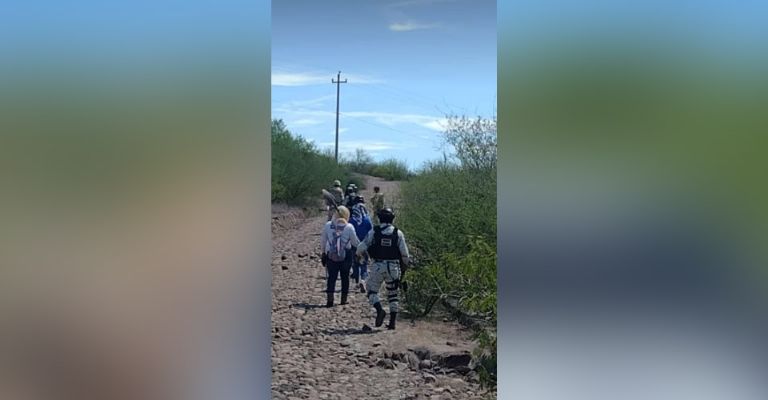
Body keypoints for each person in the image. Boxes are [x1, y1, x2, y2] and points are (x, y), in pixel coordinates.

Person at [356, 207, 410, 329]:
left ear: (380, 218)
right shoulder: (398, 233)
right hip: (394, 267)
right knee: (393, 293)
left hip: (378, 266)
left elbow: (361, 247)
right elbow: (405, 255)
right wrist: (404, 268)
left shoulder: (374, 231)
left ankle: (379, 310)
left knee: (371, 290)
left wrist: (358, 256)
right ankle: (392, 322)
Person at [320, 206, 360, 307]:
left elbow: (323, 241)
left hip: (331, 254)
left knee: (331, 277)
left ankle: (330, 300)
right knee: (345, 277)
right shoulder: (349, 226)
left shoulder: (328, 225)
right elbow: (355, 242)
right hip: (345, 254)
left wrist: (323, 253)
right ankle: (343, 299)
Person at [348, 194, 373, 293]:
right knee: (364, 264)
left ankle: (358, 281)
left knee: (355, 263)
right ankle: (363, 280)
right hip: (364, 245)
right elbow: (371, 232)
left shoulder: (351, 220)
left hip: (354, 244)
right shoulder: (367, 219)